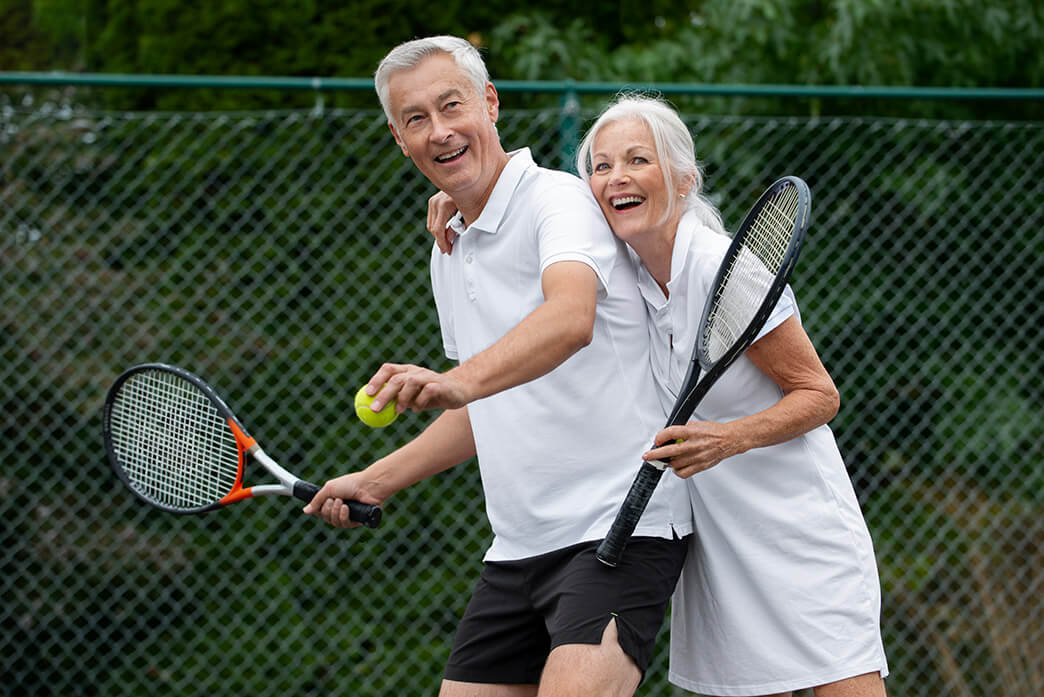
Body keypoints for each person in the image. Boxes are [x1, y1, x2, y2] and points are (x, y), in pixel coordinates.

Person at [430, 95, 890, 697]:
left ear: (682, 178)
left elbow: (819, 394)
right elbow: (525, 198)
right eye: (600, 166)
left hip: (796, 524)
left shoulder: (723, 267)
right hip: (715, 535)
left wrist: (730, 437)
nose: (616, 177)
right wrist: (461, 203)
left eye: (637, 160)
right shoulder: (621, 267)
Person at [302, 38, 692, 697]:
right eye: (416, 118)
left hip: (618, 524)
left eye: (452, 105)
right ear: (399, 138)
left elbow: (571, 317)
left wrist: (456, 381)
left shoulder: (558, 202)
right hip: (517, 548)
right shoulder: (447, 248)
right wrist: (378, 478)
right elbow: (486, 410)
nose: (441, 131)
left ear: (489, 102)